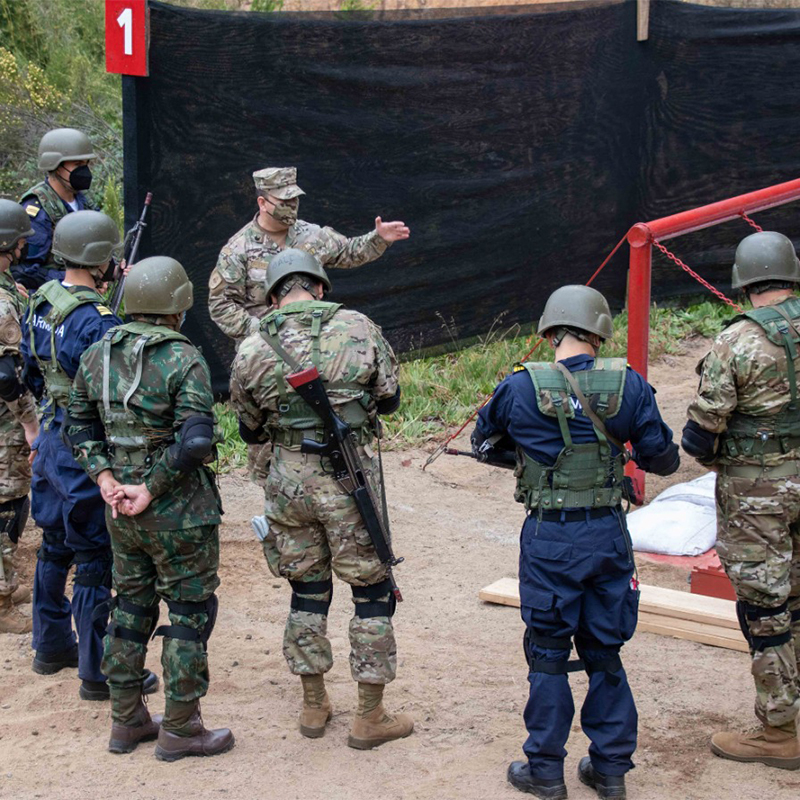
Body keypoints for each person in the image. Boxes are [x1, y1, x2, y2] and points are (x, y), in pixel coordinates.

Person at [472, 285, 679, 800]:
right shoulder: (628, 384)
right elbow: (663, 458)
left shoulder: (518, 387)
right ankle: (609, 771)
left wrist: (531, 460)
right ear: (598, 331)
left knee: (546, 653)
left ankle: (544, 771)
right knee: (605, 650)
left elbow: (482, 443)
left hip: (549, 536)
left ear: (549, 332)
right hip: (608, 533)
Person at [230, 248, 411, 749]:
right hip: (349, 478)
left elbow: (248, 430)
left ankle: (313, 706)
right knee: (372, 593)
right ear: (320, 286)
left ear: (272, 294)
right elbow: (391, 399)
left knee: (307, 591)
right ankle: (369, 716)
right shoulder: (358, 326)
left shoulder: (252, 345)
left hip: (287, 480)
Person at [67, 256, 233, 760]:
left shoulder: (97, 352)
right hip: (179, 513)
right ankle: (181, 728)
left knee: (130, 607)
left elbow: (77, 423)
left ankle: (127, 720)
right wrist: (152, 487)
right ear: (177, 308)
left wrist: (107, 478)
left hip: (121, 513)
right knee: (188, 613)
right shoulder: (184, 358)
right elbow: (196, 441)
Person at [21, 210, 157, 701]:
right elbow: (112, 395)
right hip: (83, 449)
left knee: (53, 545)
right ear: (102, 259)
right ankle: (98, 670)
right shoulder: (96, 321)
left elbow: (30, 370)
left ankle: (50, 644)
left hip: (52, 442)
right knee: (95, 557)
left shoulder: (40, 298)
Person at [210, 166, 410, 486]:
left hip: (322, 357)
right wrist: (259, 333)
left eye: (295, 198)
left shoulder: (311, 235)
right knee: (271, 455)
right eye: (283, 200)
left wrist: (378, 240)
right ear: (262, 203)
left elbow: (349, 252)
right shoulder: (238, 251)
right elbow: (219, 304)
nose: (292, 206)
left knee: (335, 440)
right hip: (268, 365)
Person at [683, 230, 800, 771]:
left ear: (743, 283)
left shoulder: (737, 341)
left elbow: (701, 434)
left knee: (765, 607)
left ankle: (779, 731)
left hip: (757, 499)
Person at [0, 200, 39, 634]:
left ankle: (7, 582)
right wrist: (30, 424)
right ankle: (0, 602)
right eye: (19, 239)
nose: (26, 243)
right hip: (5, 421)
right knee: (6, 504)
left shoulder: (7, 284)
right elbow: (5, 376)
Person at [14, 128, 97, 292]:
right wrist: (79, 279)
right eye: (78, 164)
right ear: (56, 166)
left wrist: (112, 270)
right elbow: (27, 273)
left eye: (87, 164)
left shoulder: (84, 202)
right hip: (50, 302)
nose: (85, 171)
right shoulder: (37, 210)